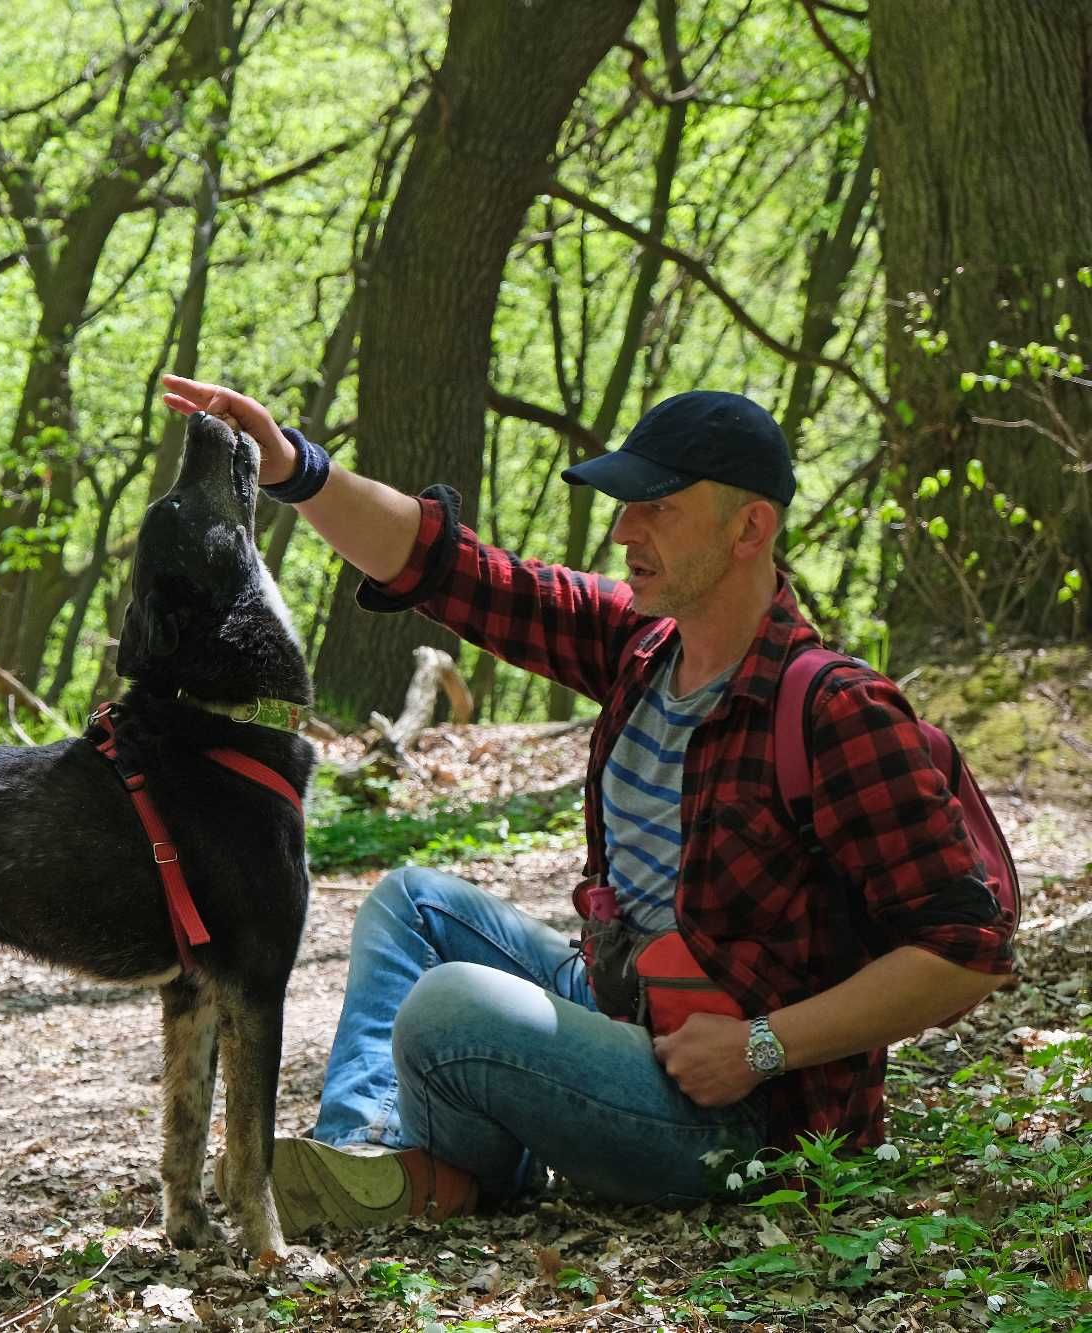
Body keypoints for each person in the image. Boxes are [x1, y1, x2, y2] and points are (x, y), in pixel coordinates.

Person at [159, 374, 1015, 1236]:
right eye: (623, 505)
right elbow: (449, 567)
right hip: (617, 1008)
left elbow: (963, 953)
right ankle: (382, 1158)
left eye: (658, 507)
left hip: (739, 1108)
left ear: (751, 527)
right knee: (410, 903)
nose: (623, 530)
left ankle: (454, 1163)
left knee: (450, 1006)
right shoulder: (641, 646)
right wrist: (296, 469)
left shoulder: (836, 712)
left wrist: (764, 1044)